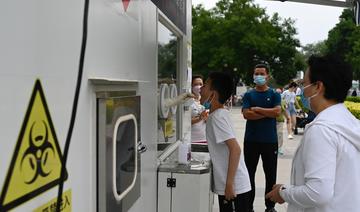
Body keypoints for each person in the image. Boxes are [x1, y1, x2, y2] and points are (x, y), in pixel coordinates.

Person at [266, 55, 360, 212]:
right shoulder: (350, 123)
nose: (302, 91)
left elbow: (318, 192)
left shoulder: (322, 130)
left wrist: (283, 193)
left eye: (305, 84)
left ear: (318, 87)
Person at [200, 72, 251, 212]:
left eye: (205, 85)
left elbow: (235, 149)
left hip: (234, 188)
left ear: (213, 95)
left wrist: (229, 184)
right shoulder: (219, 114)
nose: (200, 88)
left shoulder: (217, 117)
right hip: (232, 186)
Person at [242, 64, 281, 212]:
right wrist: (268, 112)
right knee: (249, 174)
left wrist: (257, 109)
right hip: (251, 141)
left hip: (270, 141)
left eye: (261, 73)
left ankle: (270, 206)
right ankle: (248, 206)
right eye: (256, 73)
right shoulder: (249, 95)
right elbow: (246, 114)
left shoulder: (275, 94)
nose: (259, 76)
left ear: (267, 76)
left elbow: (277, 112)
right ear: (253, 76)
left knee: (270, 175)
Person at [190, 75, 208, 143]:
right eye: (195, 84)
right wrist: (200, 118)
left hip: (205, 138)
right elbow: (185, 122)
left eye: (201, 84)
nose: (198, 86)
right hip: (192, 139)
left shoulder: (206, 99)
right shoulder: (188, 101)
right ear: (191, 86)